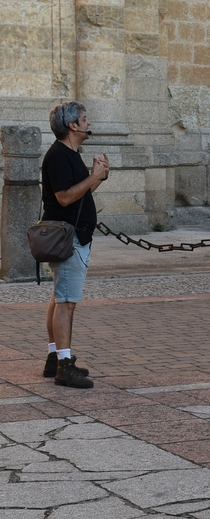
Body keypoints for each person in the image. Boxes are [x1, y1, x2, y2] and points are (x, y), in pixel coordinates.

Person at [40, 101, 110, 389]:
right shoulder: (59, 155)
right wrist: (93, 176)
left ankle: (55, 358)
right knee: (66, 303)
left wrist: (98, 176)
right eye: (84, 118)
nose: (88, 123)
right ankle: (64, 367)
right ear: (72, 125)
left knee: (60, 298)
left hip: (74, 235)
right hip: (68, 238)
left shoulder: (70, 153)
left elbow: (80, 194)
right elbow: (65, 198)